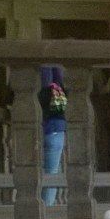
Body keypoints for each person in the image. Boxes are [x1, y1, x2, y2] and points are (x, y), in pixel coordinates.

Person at [39, 67, 66, 206]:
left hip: (38, 130)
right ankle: (47, 208)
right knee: (52, 173)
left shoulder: (35, 89)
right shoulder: (58, 88)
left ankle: (43, 206)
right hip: (56, 129)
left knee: (36, 171)